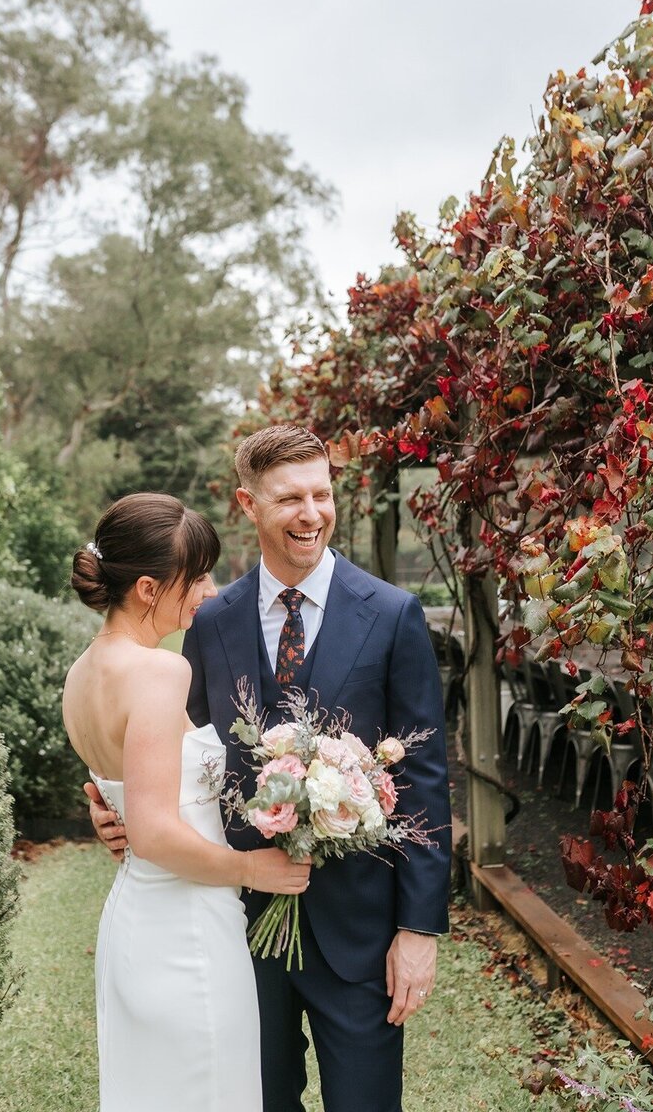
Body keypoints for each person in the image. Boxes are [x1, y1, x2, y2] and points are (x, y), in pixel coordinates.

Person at [89, 427, 451, 1112]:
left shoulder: (393, 615)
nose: (311, 514)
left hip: (361, 935)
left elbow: (425, 777)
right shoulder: (211, 620)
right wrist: (112, 807)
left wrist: (418, 931)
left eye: (322, 494)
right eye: (289, 498)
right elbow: (177, 753)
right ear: (248, 504)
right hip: (238, 930)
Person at [64, 491, 311, 1112]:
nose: (206, 591)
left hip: (135, 924)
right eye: (195, 577)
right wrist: (255, 870)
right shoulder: (157, 673)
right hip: (185, 933)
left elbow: (118, 792)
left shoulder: (83, 671)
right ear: (150, 588)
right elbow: (151, 831)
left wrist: (106, 812)